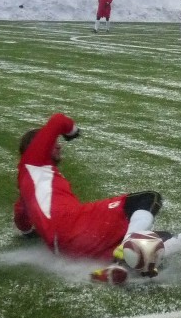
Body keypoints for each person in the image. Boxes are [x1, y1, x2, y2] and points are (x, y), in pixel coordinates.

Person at [13, 113, 164, 279]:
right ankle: (124, 253)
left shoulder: (28, 183)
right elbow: (58, 120)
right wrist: (72, 132)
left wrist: (28, 233)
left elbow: (21, 216)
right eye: (54, 143)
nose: (59, 146)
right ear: (38, 145)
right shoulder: (33, 160)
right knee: (148, 198)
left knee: (156, 241)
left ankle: (120, 267)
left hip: (67, 247)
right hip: (72, 224)